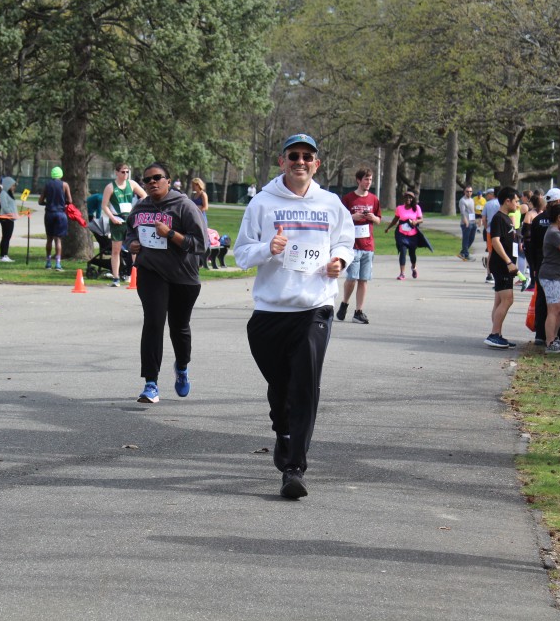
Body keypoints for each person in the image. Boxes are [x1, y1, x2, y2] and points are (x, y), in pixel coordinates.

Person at [234, 133, 354, 500]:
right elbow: (241, 253)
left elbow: (345, 241)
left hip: (315, 307)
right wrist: (267, 248)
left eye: (307, 156)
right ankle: (283, 431)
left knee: (305, 386)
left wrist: (339, 261)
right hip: (270, 311)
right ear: (282, 161)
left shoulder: (330, 203)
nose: (300, 162)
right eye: (294, 156)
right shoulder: (262, 203)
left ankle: (294, 468)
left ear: (316, 163)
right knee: (281, 387)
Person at [123, 162, 207, 405]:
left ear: (168, 181)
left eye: (157, 177)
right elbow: (129, 232)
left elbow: (201, 245)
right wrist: (131, 244)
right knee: (153, 323)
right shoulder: (141, 207)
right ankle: (150, 383)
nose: (152, 182)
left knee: (179, 328)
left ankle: (182, 367)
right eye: (147, 179)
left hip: (183, 276)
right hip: (151, 272)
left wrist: (170, 234)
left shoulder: (184, 206)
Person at [336, 167, 381, 323]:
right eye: (366, 179)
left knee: (364, 279)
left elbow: (379, 220)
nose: (368, 182)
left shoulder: (374, 199)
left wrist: (373, 217)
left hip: (368, 246)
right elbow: (339, 219)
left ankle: (358, 311)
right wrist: (352, 216)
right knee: (352, 278)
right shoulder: (348, 198)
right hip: (352, 246)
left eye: (370, 179)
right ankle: (344, 303)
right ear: (358, 180)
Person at [483, 187, 521, 349]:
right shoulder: (498, 218)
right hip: (501, 265)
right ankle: (493, 334)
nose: (518, 205)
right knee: (508, 299)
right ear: (507, 201)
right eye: (516, 201)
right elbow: (495, 241)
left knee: (499, 301)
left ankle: (497, 334)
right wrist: (508, 262)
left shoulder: (507, 218)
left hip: (506, 265)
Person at [101, 162, 145, 285]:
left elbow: (144, 195)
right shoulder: (110, 187)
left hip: (130, 220)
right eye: (123, 172)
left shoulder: (132, 184)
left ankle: (135, 276)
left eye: (127, 172)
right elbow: (104, 205)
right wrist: (112, 218)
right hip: (117, 221)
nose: (125, 174)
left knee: (135, 249)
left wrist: (137, 210)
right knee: (116, 250)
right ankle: (116, 278)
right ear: (117, 172)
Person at [538, 202, 560, 353]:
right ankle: (550, 342)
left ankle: (555, 337)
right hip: (550, 275)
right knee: (553, 309)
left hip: (558, 275)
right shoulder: (554, 233)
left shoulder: (556, 232)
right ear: (559, 218)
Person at [39, 166, 73, 271]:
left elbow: (40, 201)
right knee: (58, 240)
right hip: (60, 214)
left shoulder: (47, 185)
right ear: (61, 175)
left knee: (49, 238)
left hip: (49, 213)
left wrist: (48, 203)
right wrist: (63, 203)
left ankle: (48, 262)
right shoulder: (65, 185)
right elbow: (70, 200)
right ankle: (58, 263)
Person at [384, 190, 423, 280]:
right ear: (404, 199)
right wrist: (388, 228)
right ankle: (402, 273)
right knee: (403, 252)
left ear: (413, 199)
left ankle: (413, 267)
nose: (408, 199)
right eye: (406, 197)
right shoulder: (399, 208)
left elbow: (421, 219)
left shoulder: (416, 208)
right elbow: (395, 219)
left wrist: (416, 221)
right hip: (401, 234)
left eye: (410, 197)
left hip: (413, 235)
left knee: (412, 253)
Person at [481, 188, 499, 282]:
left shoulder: (488, 204)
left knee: (490, 253)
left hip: (490, 230)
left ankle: (489, 274)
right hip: (500, 231)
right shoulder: (502, 204)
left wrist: (486, 227)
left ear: (493, 194)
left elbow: (483, 219)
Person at [0, 184, 17, 262]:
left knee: (7, 237)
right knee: (6, 237)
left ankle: (4, 255)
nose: (13, 187)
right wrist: (11, 214)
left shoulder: (9, 194)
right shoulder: (3, 193)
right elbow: (5, 206)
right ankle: (4, 255)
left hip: (10, 218)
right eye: (12, 186)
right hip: (6, 218)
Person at [457, 185, 477, 261]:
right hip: (466, 223)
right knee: (466, 239)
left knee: (471, 238)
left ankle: (463, 253)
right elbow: (462, 212)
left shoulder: (472, 200)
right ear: (464, 192)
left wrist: (474, 220)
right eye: (467, 191)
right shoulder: (462, 201)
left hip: (472, 222)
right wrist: (465, 221)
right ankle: (466, 255)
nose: (469, 193)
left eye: (470, 191)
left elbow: (472, 211)